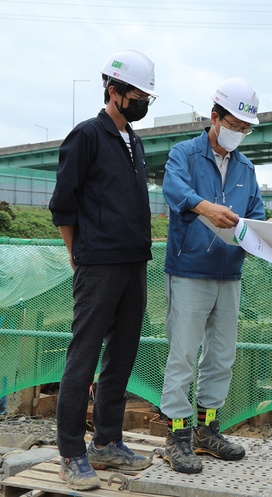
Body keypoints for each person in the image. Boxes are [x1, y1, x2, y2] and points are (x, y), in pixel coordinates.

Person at [49, 49, 158, 491]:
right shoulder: (88, 135)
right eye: (136, 93)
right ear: (113, 91)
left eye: (146, 94)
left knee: (122, 352)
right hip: (99, 264)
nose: (142, 100)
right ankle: (72, 452)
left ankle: (107, 441)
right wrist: (79, 255)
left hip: (134, 263)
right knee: (84, 354)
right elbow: (63, 204)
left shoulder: (134, 140)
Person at [160, 77, 265, 474]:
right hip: (189, 271)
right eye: (234, 124)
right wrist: (204, 207)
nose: (239, 133)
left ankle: (207, 430)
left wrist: (267, 232)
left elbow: (256, 212)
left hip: (229, 273)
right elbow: (174, 190)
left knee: (222, 356)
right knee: (183, 355)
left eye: (245, 128)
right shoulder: (184, 154)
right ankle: (177, 437)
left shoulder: (246, 167)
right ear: (215, 117)